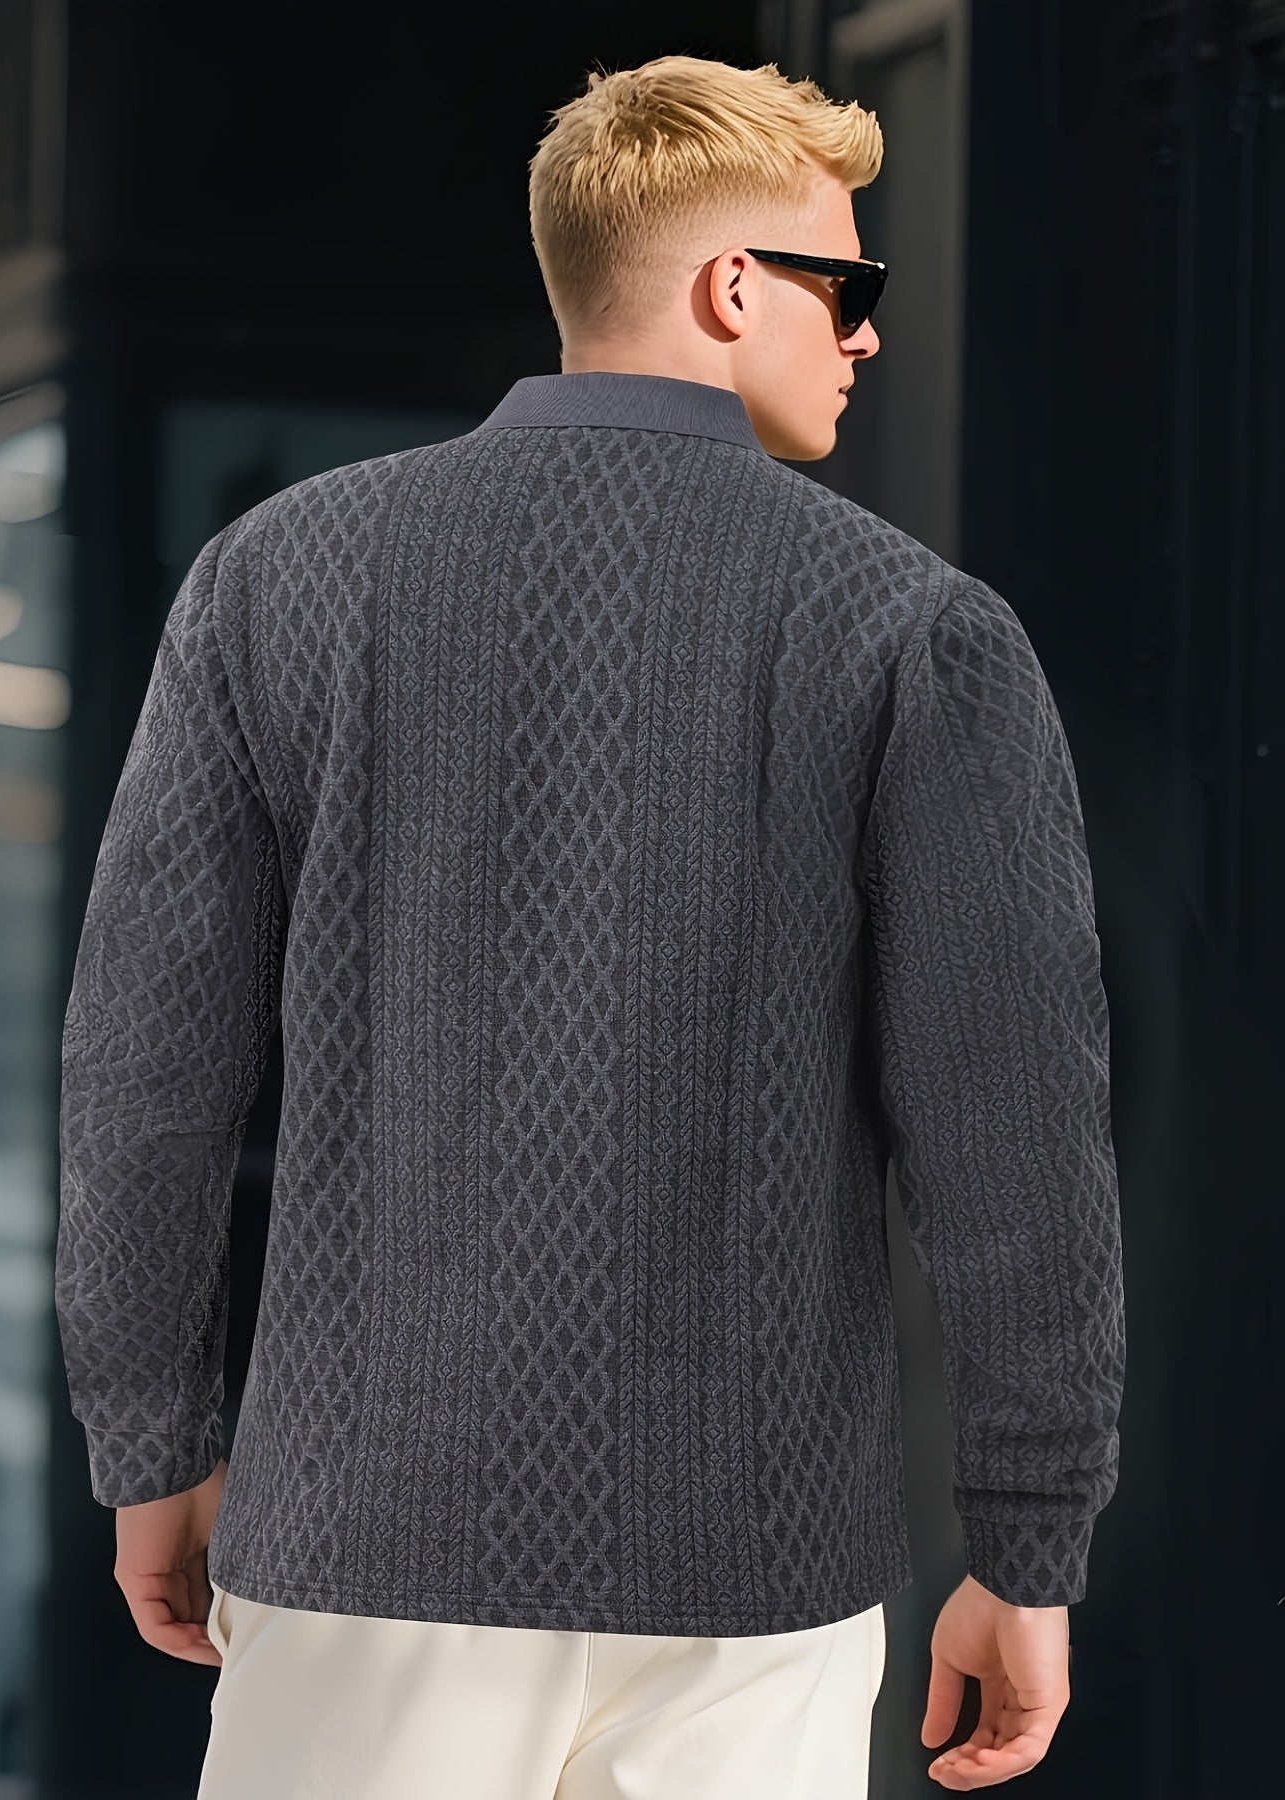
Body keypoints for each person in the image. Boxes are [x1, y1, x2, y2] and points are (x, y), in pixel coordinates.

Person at [55, 52, 1125, 1799]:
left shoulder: (275, 576)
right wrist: (1028, 1543)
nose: (864, 337)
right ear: (732, 287)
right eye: (846, 287)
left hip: (364, 1538)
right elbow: (1011, 1133)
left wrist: (150, 1445)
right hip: (755, 1563)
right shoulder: (910, 627)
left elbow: (143, 1077)